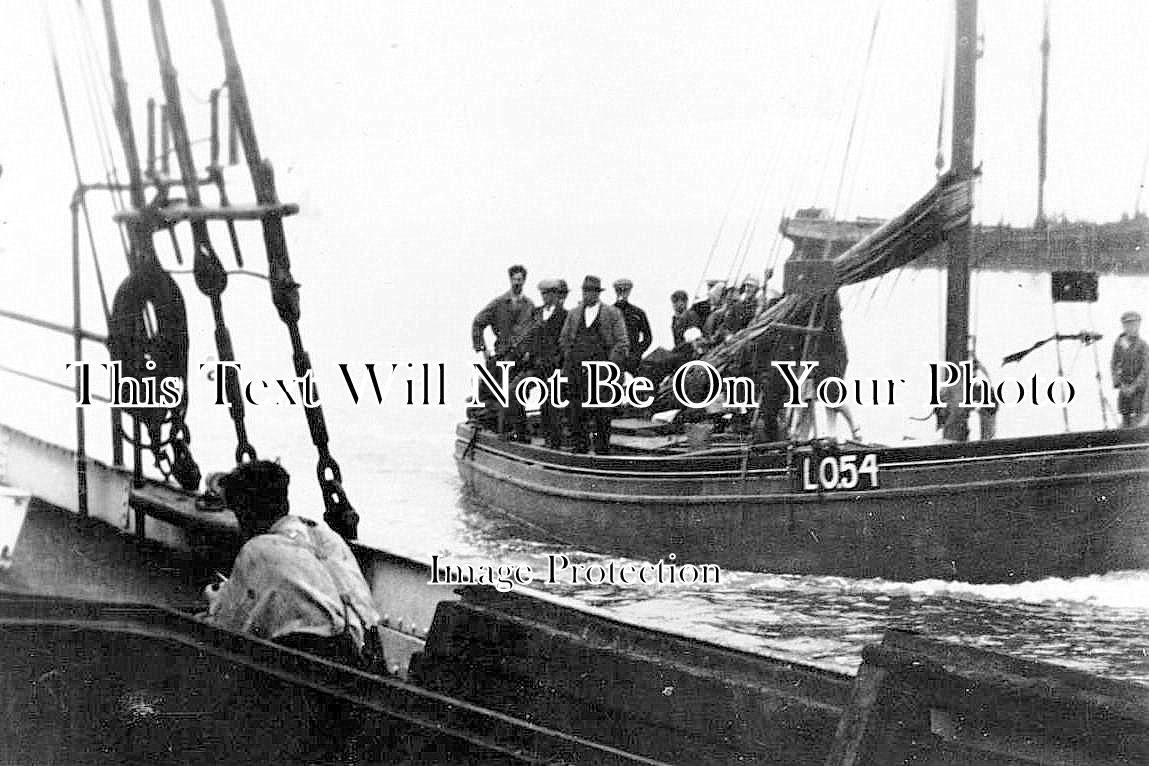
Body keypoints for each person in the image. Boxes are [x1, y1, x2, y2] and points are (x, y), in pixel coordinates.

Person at [203, 461, 382, 669]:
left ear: (244, 513)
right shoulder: (325, 536)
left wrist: (216, 600)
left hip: (316, 661)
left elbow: (227, 627)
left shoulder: (258, 549)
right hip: (367, 652)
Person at [559, 275, 629, 454]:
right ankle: (579, 449)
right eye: (585, 291)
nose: (587, 294)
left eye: (591, 291)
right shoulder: (574, 314)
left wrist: (609, 366)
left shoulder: (612, 313)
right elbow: (564, 339)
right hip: (577, 371)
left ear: (598, 293)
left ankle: (602, 452)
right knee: (576, 412)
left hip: (602, 373)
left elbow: (622, 343)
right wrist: (571, 357)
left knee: (602, 414)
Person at [507, 279, 569, 446]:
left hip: (554, 368)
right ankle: (520, 433)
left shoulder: (565, 316)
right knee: (514, 391)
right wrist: (526, 352)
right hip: (535, 366)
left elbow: (566, 343)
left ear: (557, 295)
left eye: (549, 293)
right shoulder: (536, 313)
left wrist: (557, 360)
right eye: (543, 293)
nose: (546, 297)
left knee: (550, 402)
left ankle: (552, 440)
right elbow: (528, 336)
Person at [471, 264, 535, 360]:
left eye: (519, 280)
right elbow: (478, 322)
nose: (516, 283)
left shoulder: (529, 305)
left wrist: (530, 351)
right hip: (502, 354)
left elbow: (534, 331)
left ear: (524, 281)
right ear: (510, 280)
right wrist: (482, 348)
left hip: (523, 358)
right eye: (514, 279)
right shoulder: (499, 303)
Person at [1111, 310, 1149, 427]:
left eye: (1134, 324)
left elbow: (1145, 369)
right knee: (1125, 413)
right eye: (1128, 324)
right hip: (1124, 386)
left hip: (1139, 389)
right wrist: (1119, 383)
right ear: (1123, 326)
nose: (1131, 327)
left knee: (1139, 414)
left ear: (1138, 325)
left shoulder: (1142, 346)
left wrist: (1135, 385)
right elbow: (1114, 364)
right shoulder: (1119, 344)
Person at [612, 278, 652, 373]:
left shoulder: (638, 313)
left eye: (625, 290)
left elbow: (648, 337)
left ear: (629, 291)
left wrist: (637, 352)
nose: (622, 293)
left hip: (633, 360)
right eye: (619, 290)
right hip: (614, 359)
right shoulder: (609, 313)